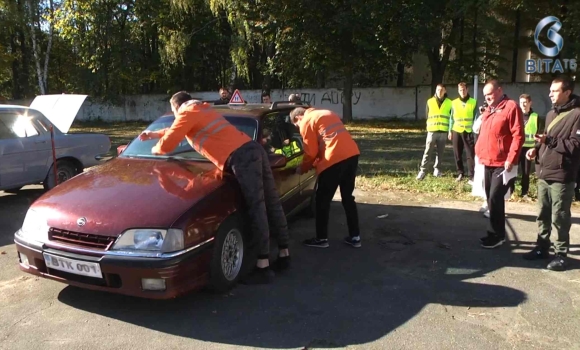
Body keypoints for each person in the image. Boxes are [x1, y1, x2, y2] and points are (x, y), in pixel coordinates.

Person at [139, 91, 290, 284]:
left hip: (242, 158)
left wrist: (154, 148)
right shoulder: (200, 109)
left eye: (173, 110)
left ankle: (263, 266)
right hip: (252, 150)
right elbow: (176, 130)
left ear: (176, 106)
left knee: (257, 207)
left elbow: (168, 143)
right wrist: (153, 134)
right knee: (271, 201)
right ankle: (284, 254)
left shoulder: (187, 112)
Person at [523, 76, 580, 271]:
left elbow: (575, 146)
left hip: (562, 175)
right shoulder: (550, 114)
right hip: (544, 172)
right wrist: (535, 149)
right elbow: (545, 139)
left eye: (554, 91)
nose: (550, 94)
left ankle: (561, 254)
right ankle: (542, 247)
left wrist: (550, 142)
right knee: (542, 213)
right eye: (550, 90)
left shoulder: (578, 114)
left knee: (560, 216)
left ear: (567, 92)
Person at [289, 107, 361, 248]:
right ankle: (355, 237)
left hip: (333, 160)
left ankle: (321, 239)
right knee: (347, 197)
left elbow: (310, 152)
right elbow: (328, 139)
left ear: (298, 118)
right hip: (352, 155)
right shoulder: (326, 113)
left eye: (296, 126)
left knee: (322, 200)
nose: (298, 129)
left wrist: (302, 169)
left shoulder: (306, 121)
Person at [475, 79, 524, 249]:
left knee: (495, 196)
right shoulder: (489, 110)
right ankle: (496, 233)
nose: (487, 97)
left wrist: (511, 158)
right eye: (485, 95)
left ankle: (496, 235)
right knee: (490, 197)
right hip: (487, 160)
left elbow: (518, 135)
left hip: (503, 163)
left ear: (499, 90)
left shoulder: (511, 107)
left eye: (489, 94)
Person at [417, 84, 452, 180]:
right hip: (432, 130)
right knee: (428, 151)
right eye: (438, 90)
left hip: (443, 130)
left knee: (440, 152)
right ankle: (423, 171)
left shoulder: (450, 103)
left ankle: (437, 170)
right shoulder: (430, 101)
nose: (439, 91)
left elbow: (451, 118)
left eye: (441, 90)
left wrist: (449, 130)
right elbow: (427, 115)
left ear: (445, 91)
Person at [509, 94, 538, 199]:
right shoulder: (516, 115)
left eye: (525, 102)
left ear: (530, 103)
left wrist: (536, 148)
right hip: (517, 147)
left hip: (528, 149)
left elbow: (538, 133)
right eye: (521, 102)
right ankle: (511, 192)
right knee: (513, 170)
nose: (523, 105)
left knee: (526, 172)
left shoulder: (535, 116)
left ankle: (524, 193)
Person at [449, 82, 477, 183]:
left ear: (467, 89)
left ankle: (472, 175)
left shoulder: (473, 102)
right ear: (458, 91)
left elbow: (475, 117)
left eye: (464, 89)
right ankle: (460, 173)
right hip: (456, 130)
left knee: (470, 154)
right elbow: (451, 118)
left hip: (468, 131)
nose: (462, 92)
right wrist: (450, 131)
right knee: (457, 153)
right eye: (460, 90)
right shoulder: (454, 103)